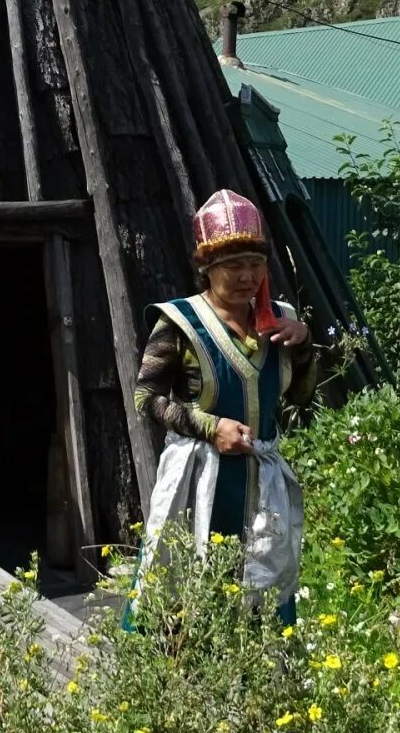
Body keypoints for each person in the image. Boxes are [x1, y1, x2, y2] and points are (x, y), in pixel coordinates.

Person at [130, 189, 318, 622]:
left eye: (255, 264)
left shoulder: (279, 322)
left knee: (264, 593)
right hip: (201, 480)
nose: (247, 276)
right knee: (189, 587)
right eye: (233, 265)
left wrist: (304, 346)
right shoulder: (180, 324)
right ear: (207, 268)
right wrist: (209, 427)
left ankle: (260, 680)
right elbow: (147, 397)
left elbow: (301, 398)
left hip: (262, 482)